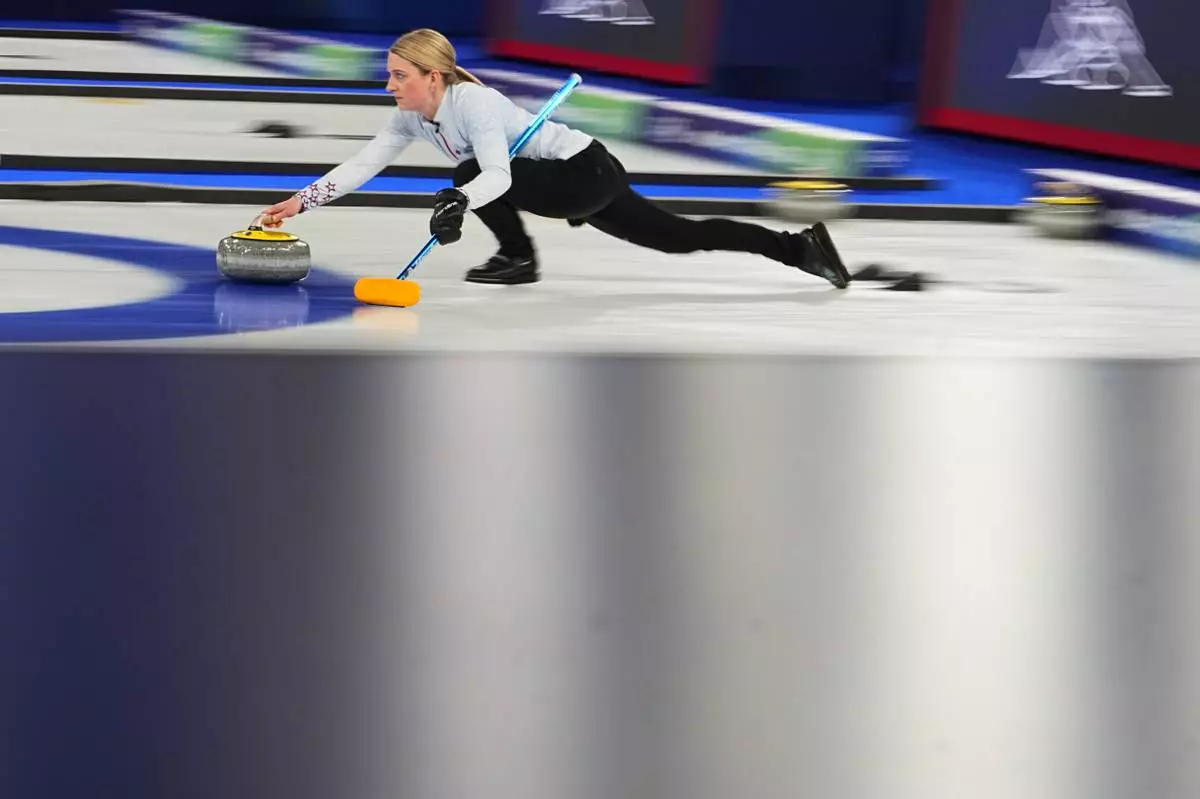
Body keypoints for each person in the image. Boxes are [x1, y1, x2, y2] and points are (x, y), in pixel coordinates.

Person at [259, 28, 852, 289]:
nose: (389, 85)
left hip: (581, 173)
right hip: (567, 179)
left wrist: (459, 201)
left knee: (464, 173)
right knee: (679, 237)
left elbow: (495, 174)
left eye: (398, 76)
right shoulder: (412, 116)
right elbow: (365, 163)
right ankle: (799, 248)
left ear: (433, 77)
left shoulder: (477, 105)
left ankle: (518, 257)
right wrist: (301, 202)